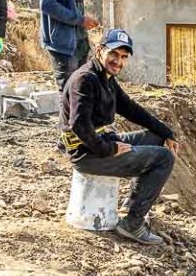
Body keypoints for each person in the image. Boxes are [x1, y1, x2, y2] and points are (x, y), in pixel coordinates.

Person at [60, 28, 179, 245]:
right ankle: (133, 223)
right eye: (114, 54)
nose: (118, 61)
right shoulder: (85, 79)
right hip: (88, 154)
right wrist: (109, 150)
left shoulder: (105, 78)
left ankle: (131, 204)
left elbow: (132, 109)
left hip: (101, 143)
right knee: (164, 158)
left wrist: (167, 133)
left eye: (124, 57)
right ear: (99, 51)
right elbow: (78, 125)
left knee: (155, 139)